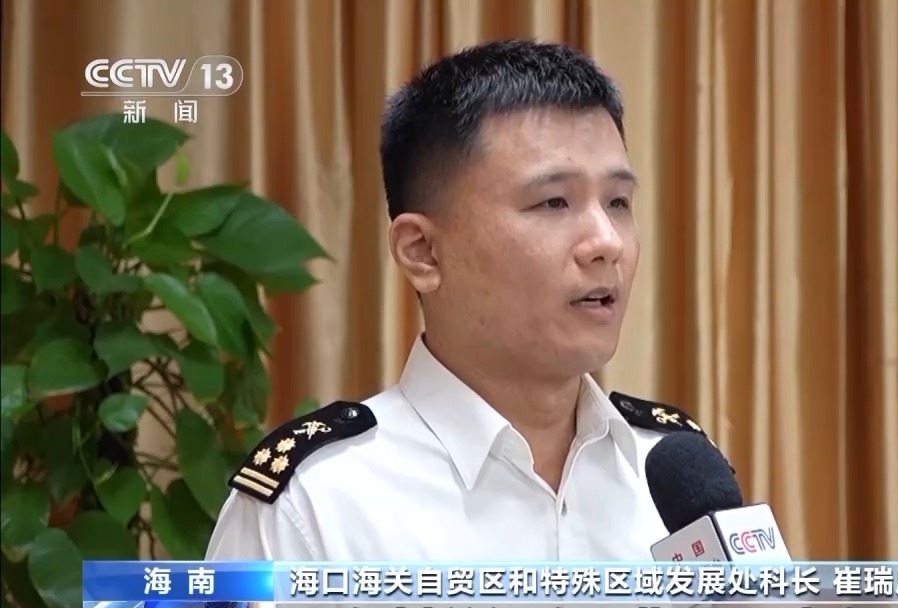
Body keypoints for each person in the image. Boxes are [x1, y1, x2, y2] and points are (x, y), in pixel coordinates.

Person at [205, 39, 708, 561]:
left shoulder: (676, 480)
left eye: (618, 202)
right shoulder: (313, 506)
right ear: (422, 252)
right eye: (553, 202)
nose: (606, 242)